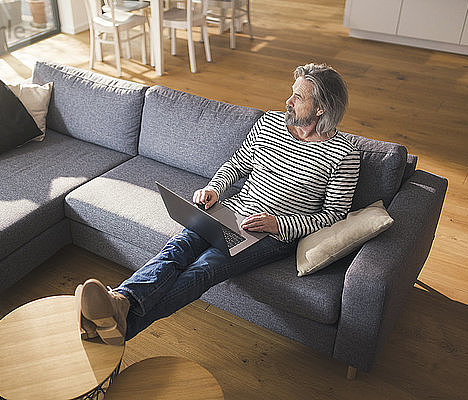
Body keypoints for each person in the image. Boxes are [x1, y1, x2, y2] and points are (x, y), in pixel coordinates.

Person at [77, 63, 361, 345]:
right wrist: (214, 187)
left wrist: (280, 223)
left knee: (203, 270)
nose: (288, 101)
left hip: (272, 235)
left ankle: (116, 325)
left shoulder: (344, 155)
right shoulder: (270, 124)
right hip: (230, 211)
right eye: (291, 92)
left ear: (320, 108)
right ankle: (120, 301)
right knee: (177, 249)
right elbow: (237, 164)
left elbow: (335, 215)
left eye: (298, 98)